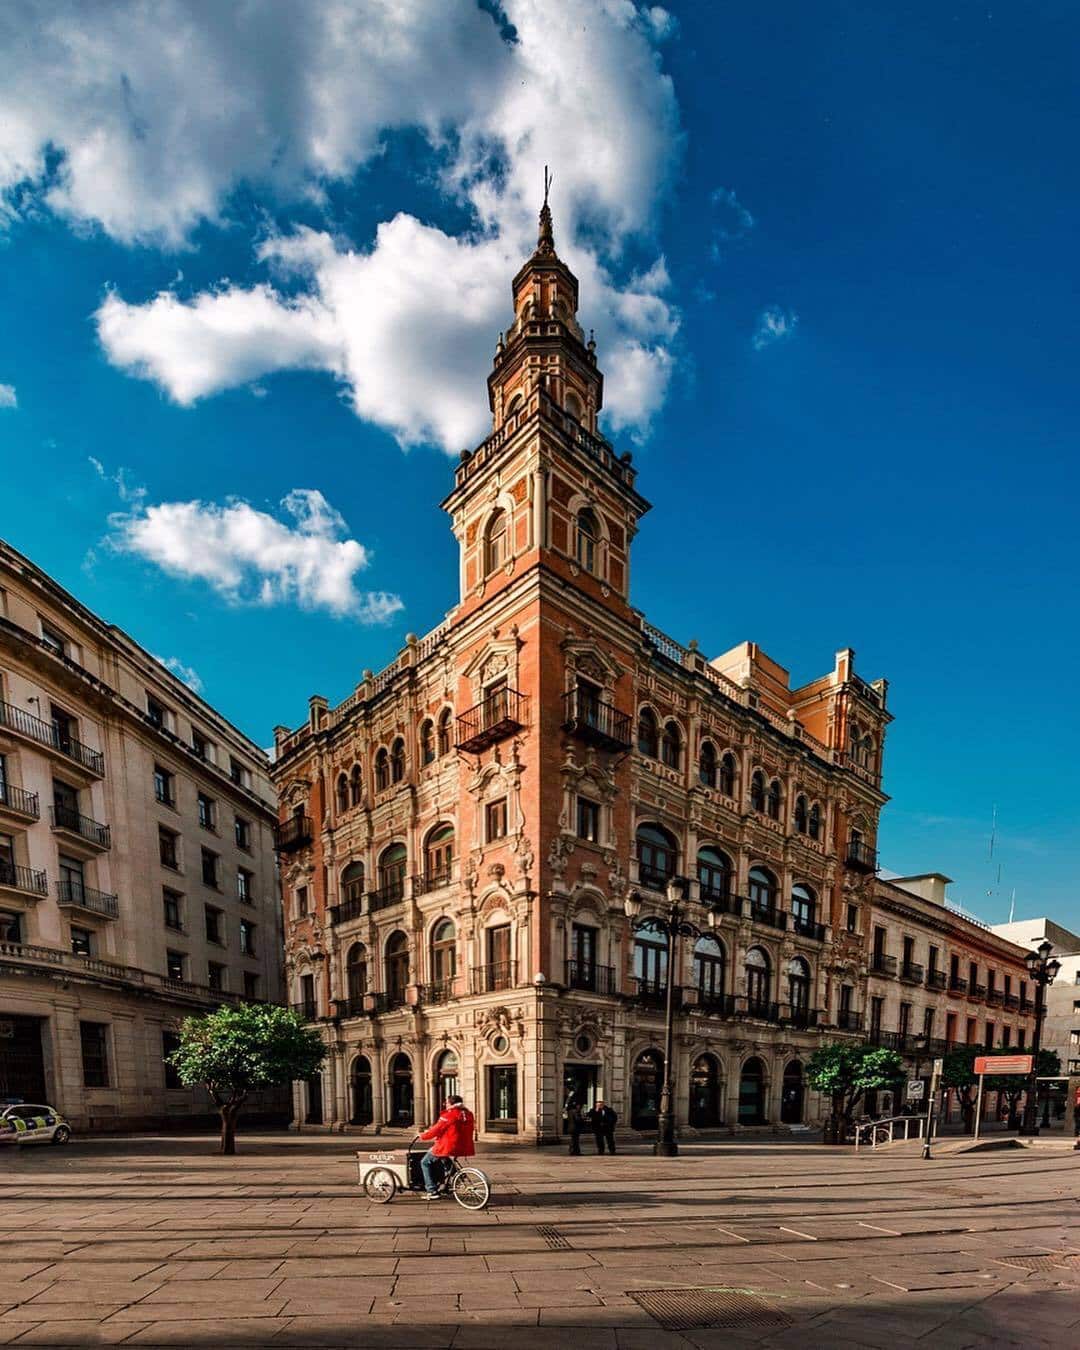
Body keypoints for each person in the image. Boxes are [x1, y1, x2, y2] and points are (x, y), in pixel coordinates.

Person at [417, 1094, 476, 1199]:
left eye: (446, 1102)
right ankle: (456, 1179)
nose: (445, 1104)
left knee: (425, 1162)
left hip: (448, 1145)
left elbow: (435, 1130)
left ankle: (432, 1190)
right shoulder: (468, 1114)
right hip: (464, 1145)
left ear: (451, 1104)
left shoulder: (449, 1115)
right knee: (444, 1158)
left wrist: (422, 1135)